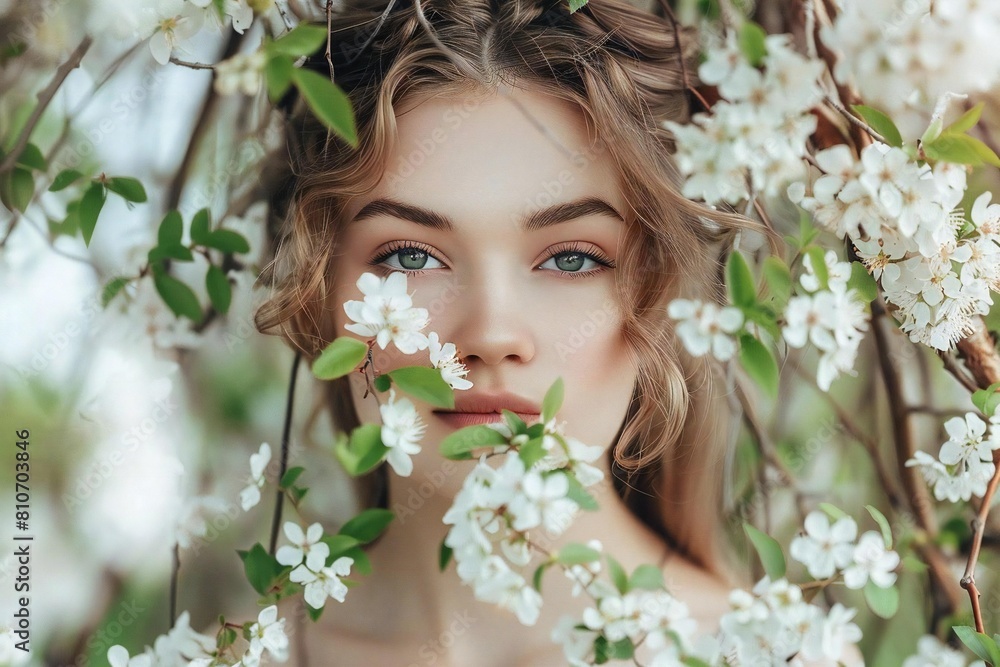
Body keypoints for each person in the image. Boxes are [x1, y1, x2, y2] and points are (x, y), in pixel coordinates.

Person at [255, 0, 770, 663]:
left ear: (662, 292)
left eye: (571, 258)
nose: (492, 334)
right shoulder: (228, 653)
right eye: (411, 256)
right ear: (317, 290)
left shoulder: (766, 650)